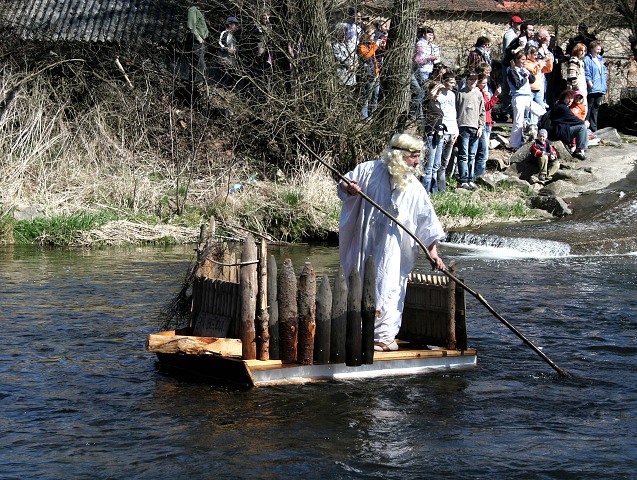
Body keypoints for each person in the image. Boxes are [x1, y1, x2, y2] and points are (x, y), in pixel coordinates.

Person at [338, 133, 446, 352]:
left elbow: (426, 222)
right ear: (399, 156)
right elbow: (345, 184)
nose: (417, 161)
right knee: (359, 280)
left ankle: (383, 337)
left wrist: (433, 253)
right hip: (364, 240)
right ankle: (358, 331)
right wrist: (350, 188)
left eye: (418, 156)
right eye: (414, 156)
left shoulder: (414, 188)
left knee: (388, 285)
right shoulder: (368, 170)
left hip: (393, 250)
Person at [507, 49, 546, 149]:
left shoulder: (523, 69)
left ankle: (541, 134)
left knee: (541, 112)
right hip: (518, 97)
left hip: (527, 97)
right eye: (522, 59)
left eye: (525, 59)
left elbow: (532, 80)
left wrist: (528, 74)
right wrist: (525, 77)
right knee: (518, 121)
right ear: (517, 59)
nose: (524, 61)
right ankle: (514, 144)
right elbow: (517, 85)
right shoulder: (512, 71)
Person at [455, 73, 485, 189]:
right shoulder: (460, 93)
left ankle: (470, 178)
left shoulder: (479, 94)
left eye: (475, 79)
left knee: (472, 155)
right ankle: (463, 179)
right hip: (463, 126)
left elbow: (482, 112)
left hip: (475, 127)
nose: (473, 81)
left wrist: (481, 126)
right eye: (471, 79)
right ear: (466, 80)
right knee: (463, 155)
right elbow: (456, 110)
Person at [548, 89, 589, 160]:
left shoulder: (560, 105)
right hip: (559, 131)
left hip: (559, 130)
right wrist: (583, 122)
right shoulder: (562, 107)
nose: (570, 101)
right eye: (569, 98)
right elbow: (572, 118)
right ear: (564, 98)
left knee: (581, 127)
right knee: (582, 127)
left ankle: (580, 148)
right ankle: (578, 150)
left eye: (572, 99)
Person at [411, 27, 440, 120]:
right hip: (421, 71)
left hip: (428, 71)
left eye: (432, 34)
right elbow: (417, 60)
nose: (431, 36)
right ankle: (418, 115)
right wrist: (429, 58)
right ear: (424, 34)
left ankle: (419, 115)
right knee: (421, 94)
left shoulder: (429, 45)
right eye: (429, 34)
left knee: (423, 93)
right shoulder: (420, 44)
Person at [476, 73, 500, 179]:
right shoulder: (478, 93)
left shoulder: (483, 92)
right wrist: (495, 96)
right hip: (482, 124)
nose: (485, 85)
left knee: (484, 151)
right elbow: (486, 107)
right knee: (483, 152)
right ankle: (479, 176)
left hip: (488, 122)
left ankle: (480, 174)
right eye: (483, 83)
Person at [501, 15, 524, 115]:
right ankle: (507, 108)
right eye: (518, 23)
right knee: (508, 86)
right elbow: (509, 50)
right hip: (509, 63)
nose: (520, 25)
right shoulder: (510, 35)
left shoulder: (514, 34)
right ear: (513, 24)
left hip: (511, 63)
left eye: (520, 23)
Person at [357, 25, 381, 118]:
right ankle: (364, 116)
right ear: (366, 34)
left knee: (375, 95)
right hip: (367, 74)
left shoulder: (371, 44)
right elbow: (366, 56)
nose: (374, 36)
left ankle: (372, 115)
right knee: (366, 96)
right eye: (372, 33)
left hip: (375, 73)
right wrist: (375, 45)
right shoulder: (361, 45)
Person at [584, 40, 608, 132]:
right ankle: (586, 127)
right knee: (589, 107)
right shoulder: (587, 59)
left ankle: (594, 128)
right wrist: (590, 83)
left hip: (600, 87)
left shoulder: (599, 59)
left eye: (600, 49)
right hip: (592, 88)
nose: (598, 51)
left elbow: (604, 72)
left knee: (596, 107)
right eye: (597, 49)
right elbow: (587, 72)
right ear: (592, 49)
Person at [186, 4, 209, 86]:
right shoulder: (193, 10)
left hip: (201, 42)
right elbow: (191, 26)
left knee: (201, 64)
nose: (205, 2)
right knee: (198, 63)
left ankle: (200, 84)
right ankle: (195, 85)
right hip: (195, 41)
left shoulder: (200, 11)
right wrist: (199, 38)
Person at [217, 16, 240, 88]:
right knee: (224, 79)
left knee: (231, 79)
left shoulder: (234, 36)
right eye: (235, 24)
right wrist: (227, 49)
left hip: (232, 62)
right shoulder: (224, 33)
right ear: (229, 25)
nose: (236, 26)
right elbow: (219, 44)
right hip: (224, 61)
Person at [333, 23, 357, 87]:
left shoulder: (346, 44)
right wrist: (350, 65)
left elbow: (353, 55)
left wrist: (355, 63)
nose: (344, 36)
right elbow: (340, 58)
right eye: (342, 34)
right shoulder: (335, 45)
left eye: (345, 33)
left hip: (351, 76)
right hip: (343, 77)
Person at [567, 43, 588, 109]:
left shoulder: (581, 61)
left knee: (583, 108)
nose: (583, 53)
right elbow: (572, 75)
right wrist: (576, 88)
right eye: (581, 50)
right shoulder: (573, 60)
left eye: (584, 51)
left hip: (582, 88)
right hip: (576, 89)